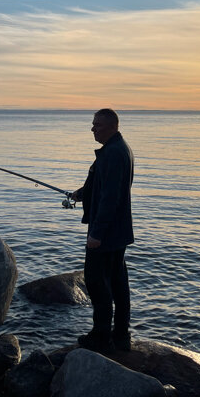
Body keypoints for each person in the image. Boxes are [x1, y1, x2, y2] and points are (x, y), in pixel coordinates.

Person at [70, 108, 134, 352]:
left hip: (106, 233)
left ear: (112, 126)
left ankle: (101, 336)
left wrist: (96, 234)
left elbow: (110, 197)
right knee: (118, 281)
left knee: (98, 282)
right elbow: (105, 185)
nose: (93, 129)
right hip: (118, 232)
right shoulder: (118, 149)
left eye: (97, 125)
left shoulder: (113, 154)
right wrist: (82, 193)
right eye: (93, 124)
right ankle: (120, 335)